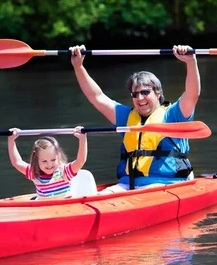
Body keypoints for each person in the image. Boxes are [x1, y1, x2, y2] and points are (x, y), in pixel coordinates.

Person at [69, 44, 200, 193]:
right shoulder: (126, 117)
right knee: (96, 198)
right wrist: (78, 67)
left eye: (145, 92)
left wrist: (191, 62)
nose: (140, 98)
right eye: (135, 94)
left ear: (157, 93)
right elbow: (96, 97)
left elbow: (192, 94)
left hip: (166, 184)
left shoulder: (174, 115)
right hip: (127, 185)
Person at [8, 126, 88, 199]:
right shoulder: (34, 173)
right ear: (37, 160)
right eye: (44, 161)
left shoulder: (64, 172)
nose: (49, 164)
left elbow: (80, 161)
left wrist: (82, 139)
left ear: (58, 157)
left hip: (65, 208)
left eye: (53, 160)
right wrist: (11, 140)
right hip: (44, 210)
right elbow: (17, 162)